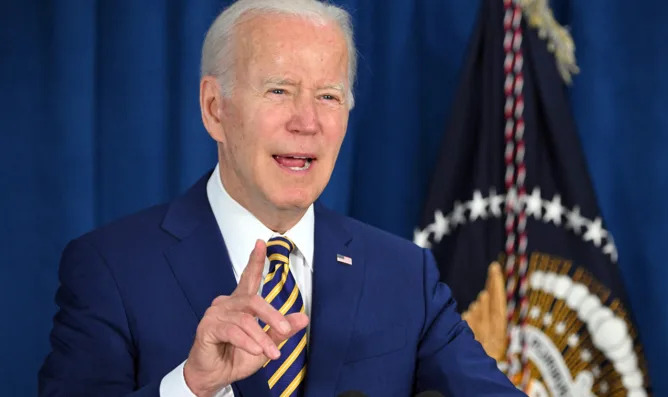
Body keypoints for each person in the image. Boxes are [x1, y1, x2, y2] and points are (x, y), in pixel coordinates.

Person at [39, 0, 524, 396]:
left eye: (329, 97)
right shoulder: (110, 268)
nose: (307, 122)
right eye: (278, 90)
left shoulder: (404, 276)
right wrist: (191, 386)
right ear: (214, 109)